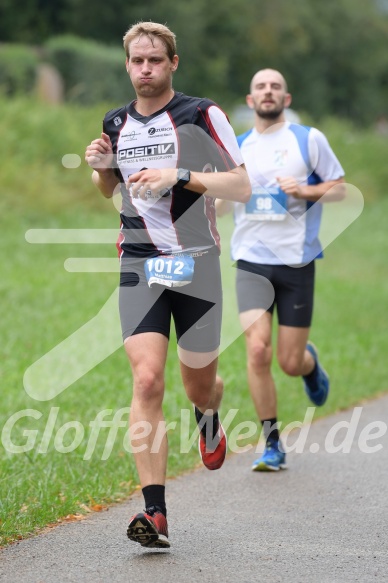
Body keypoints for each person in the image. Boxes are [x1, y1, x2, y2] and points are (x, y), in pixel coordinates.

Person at [85, 22, 250, 548]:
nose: (145, 69)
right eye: (137, 61)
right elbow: (111, 191)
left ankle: (208, 414)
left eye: (155, 60)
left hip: (197, 263)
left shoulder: (203, 114)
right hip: (139, 262)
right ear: (127, 64)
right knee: (148, 381)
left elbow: (242, 185)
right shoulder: (115, 121)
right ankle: (153, 514)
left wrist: (177, 176)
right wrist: (100, 168)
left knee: (198, 384)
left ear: (172, 63)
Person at [216, 69, 345, 472]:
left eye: (275, 86)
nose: (268, 92)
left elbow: (340, 188)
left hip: (296, 263)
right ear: (250, 100)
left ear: (285, 98)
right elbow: (220, 205)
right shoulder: (236, 149)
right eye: (260, 87)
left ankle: (308, 363)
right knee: (257, 350)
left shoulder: (308, 140)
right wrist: (211, 192)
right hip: (251, 262)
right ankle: (272, 444)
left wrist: (305, 190)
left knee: (288, 362)